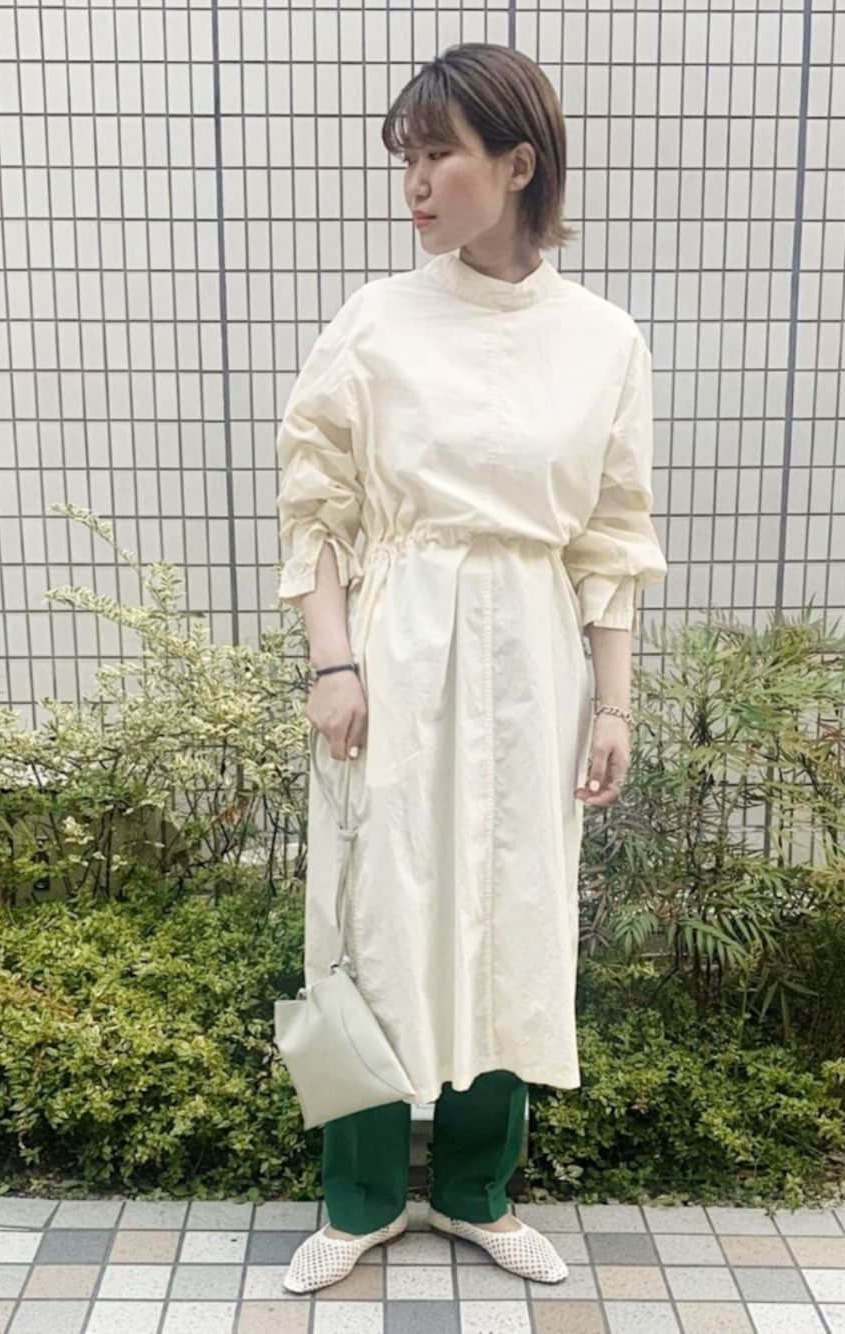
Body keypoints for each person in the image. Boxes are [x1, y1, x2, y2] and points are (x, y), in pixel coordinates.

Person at [276, 42, 669, 1295]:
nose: (414, 180)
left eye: (438, 153)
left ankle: (475, 1190)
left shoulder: (602, 340)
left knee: (512, 909)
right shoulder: (375, 322)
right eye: (406, 155)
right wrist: (331, 661)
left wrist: (614, 700)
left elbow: (610, 534)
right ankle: (357, 1197)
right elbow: (318, 505)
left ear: (518, 163)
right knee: (372, 908)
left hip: (534, 661)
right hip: (394, 648)